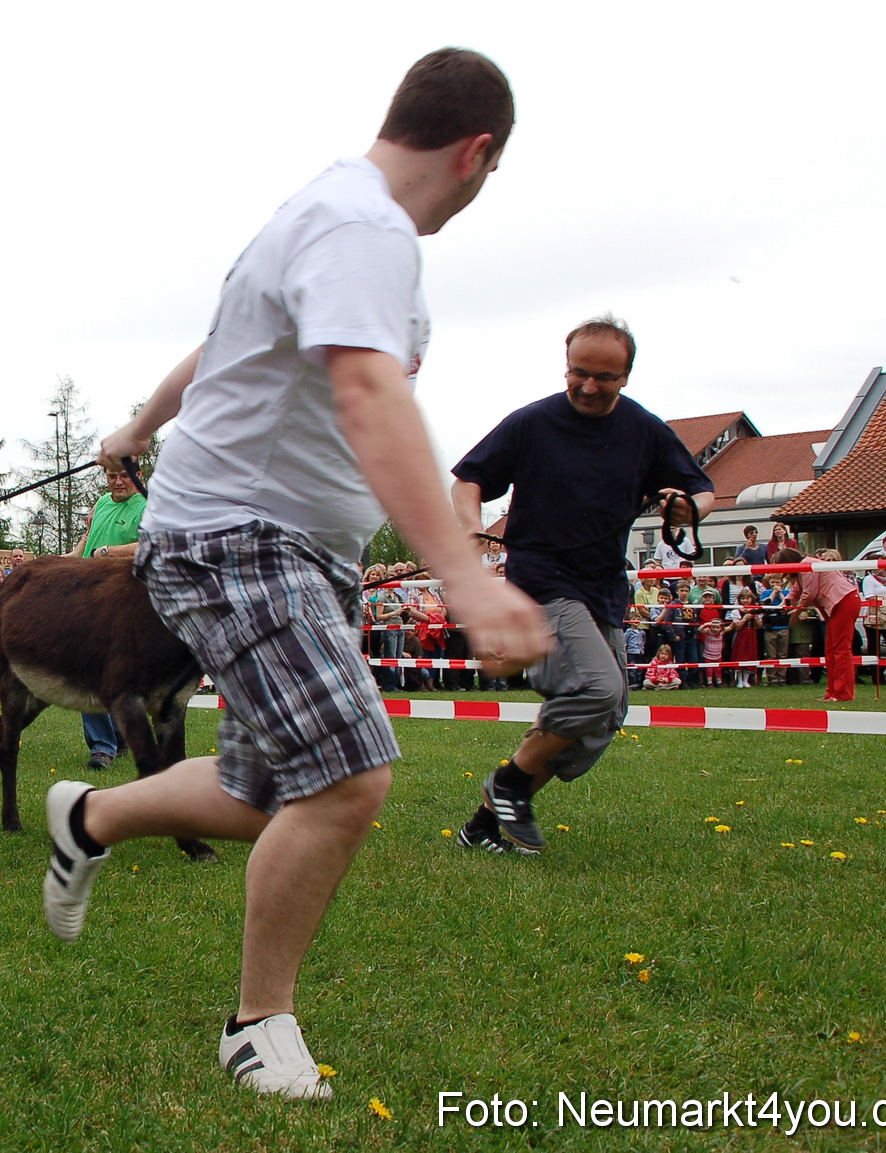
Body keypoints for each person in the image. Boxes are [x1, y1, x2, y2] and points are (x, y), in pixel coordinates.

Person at [48, 50, 548, 1100]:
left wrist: (140, 420)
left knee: (262, 791)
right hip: (238, 536)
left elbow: (224, 347)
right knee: (352, 774)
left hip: (305, 550)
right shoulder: (361, 227)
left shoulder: (332, 220)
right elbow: (369, 395)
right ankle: (255, 1024)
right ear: (477, 153)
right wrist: (463, 574)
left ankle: (86, 818)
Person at [449, 315, 715, 854]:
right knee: (598, 690)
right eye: (579, 373)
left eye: (604, 377)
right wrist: (470, 527)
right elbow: (468, 478)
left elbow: (701, 490)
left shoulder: (645, 430)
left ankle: (482, 825)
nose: (589, 386)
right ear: (565, 367)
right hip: (541, 583)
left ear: (626, 377)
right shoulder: (532, 423)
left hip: (603, 588)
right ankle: (510, 787)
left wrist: (687, 508)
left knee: (603, 715)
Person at [67, 460, 147, 769]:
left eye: (124, 476)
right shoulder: (101, 502)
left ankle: (116, 733)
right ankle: (102, 744)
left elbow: (150, 544)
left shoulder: (147, 505)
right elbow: (90, 537)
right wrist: (72, 557)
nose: (117, 482)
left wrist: (108, 553)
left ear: (138, 476)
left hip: (126, 597)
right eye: (111, 476)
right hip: (88, 595)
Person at [783, 546, 857, 701]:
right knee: (830, 651)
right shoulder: (802, 569)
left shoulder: (806, 565)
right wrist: (783, 604)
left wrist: (795, 613)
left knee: (841, 650)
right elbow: (797, 590)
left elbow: (810, 593)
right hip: (836, 604)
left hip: (843, 601)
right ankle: (832, 692)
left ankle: (843, 693)